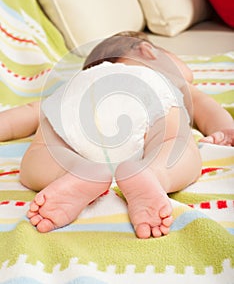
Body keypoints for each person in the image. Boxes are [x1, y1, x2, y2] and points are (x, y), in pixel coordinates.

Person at [0, 32, 233, 239]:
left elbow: (30, 112)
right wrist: (225, 129)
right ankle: (155, 174)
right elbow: (204, 104)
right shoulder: (161, 76)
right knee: (174, 143)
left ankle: (73, 169)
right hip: (147, 90)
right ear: (148, 50)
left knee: (43, 151)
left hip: (80, 94)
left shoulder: (86, 78)